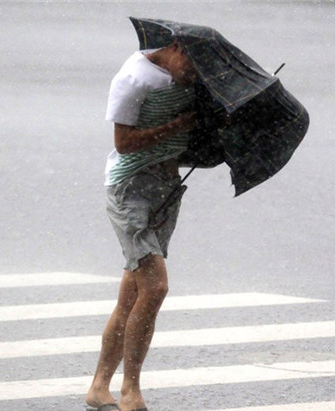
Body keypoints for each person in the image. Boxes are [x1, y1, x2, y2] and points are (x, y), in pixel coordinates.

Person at [85, 40, 198, 411]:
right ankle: (130, 390)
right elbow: (124, 142)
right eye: (191, 67)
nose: (194, 76)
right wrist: (176, 126)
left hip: (165, 189)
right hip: (129, 189)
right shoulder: (133, 79)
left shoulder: (186, 80)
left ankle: (99, 386)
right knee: (156, 286)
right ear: (177, 49)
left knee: (133, 293)